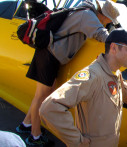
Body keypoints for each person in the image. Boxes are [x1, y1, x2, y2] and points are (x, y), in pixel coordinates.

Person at [16, 0, 121, 146]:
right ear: (106, 16)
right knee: (41, 97)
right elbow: (100, 34)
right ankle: (35, 136)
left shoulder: (85, 12)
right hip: (49, 56)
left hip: (49, 55)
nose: (109, 22)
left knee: (45, 94)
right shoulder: (87, 16)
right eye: (110, 20)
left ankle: (26, 124)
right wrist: (121, 43)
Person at [39, 28, 127, 146]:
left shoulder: (115, 74)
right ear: (113, 48)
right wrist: (78, 141)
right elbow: (49, 107)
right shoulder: (93, 76)